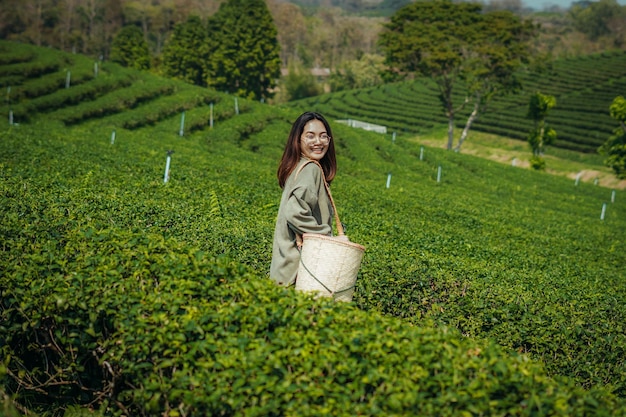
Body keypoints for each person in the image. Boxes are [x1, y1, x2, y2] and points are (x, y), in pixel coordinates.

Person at [270, 111, 341, 287]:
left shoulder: (297, 167)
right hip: (299, 272)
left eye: (324, 136)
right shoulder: (311, 170)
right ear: (298, 140)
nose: (318, 142)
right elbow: (294, 212)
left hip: (284, 269)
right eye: (310, 136)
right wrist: (326, 236)